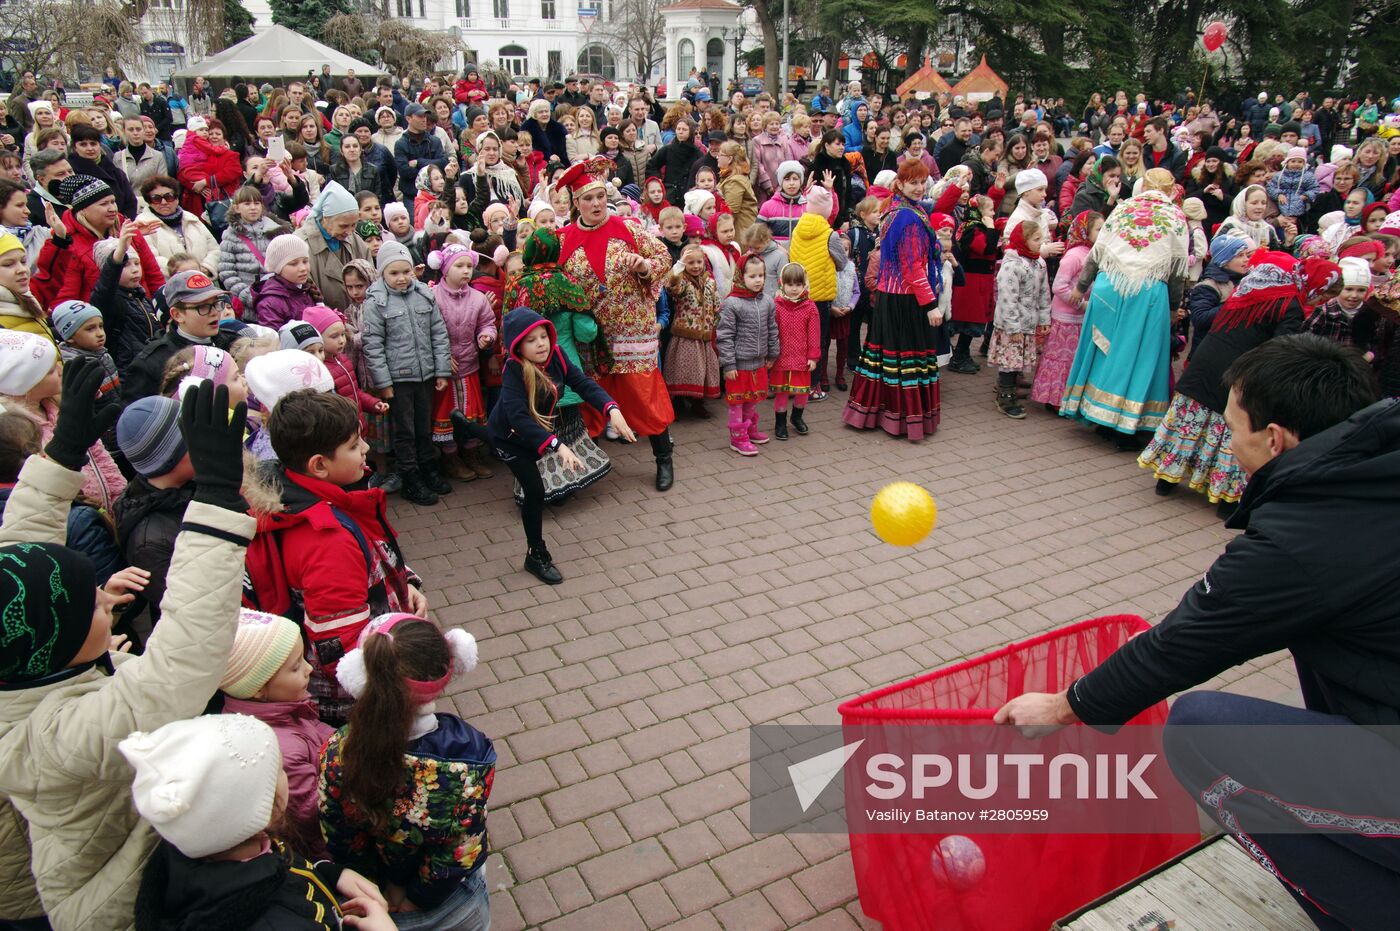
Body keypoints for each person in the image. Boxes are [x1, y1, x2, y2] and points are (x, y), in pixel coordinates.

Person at [996, 333, 1396, 931]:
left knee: (1201, 729)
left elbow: (1185, 643)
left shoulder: (1306, 536)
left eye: (1232, 428)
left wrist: (1061, 706)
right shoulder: (1373, 472)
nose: (1228, 445)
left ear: (1275, 438)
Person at [0, 372, 252, 930]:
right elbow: (179, 667)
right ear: (61, 650)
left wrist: (61, 455)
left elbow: (21, 565)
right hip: (109, 905)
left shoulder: (20, 659)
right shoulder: (47, 739)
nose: (102, 599)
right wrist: (216, 503)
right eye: (92, 608)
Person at [244, 388, 429, 726]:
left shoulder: (307, 497)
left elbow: (369, 553)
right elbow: (341, 647)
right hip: (358, 698)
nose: (366, 450)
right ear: (319, 465)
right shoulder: (327, 539)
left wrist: (405, 583)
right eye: (354, 446)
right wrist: (388, 691)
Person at [121, 713, 397, 929]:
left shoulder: (207, 846)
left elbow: (279, 861)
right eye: (279, 771)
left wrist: (329, 873)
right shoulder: (279, 924)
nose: (285, 776)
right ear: (264, 808)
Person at [319, 615, 490, 930]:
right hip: (448, 905)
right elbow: (462, 846)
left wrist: (379, 887)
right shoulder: (470, 756)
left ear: (362, 674)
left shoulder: (338, 750)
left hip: (373, 899)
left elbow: (339, 834)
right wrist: (419, 897)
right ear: (452, 664)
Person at [1142, 252, 1342, 517]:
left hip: (1207, 360)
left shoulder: (1259, 283)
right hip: (1238, 372)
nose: (1322, 301)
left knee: (1190, 421)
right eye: (1325, 295)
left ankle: (1166, 480)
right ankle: (1228, 500)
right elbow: (1279, 349)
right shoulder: (1290, 304)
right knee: (1231, 433)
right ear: (1317, 284)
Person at [555, 157, 678, 491]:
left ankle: (663, 458)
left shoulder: (630, 229)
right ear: (575, 203)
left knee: (643, 393)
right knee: (592, 398)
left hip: (632, 330)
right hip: (590, 335)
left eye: (599, 197)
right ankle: (586, 468)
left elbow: (664, 257)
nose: (595, 204)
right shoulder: (561, 239)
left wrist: (643, 268)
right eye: (587, 198)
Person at [1060, 170, 1189, 446]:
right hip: (1147, 293)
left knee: (1104, 350)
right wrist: (1173, 309)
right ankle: (1125, 425)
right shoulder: (1174, 216)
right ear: (1169, 191)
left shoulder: (1122, 209)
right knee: (1139, 356)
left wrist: (1082, 287)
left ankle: (1096, 414)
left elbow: (1098, 253)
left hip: (1109, 286)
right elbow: (1178, 269)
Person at [843, 161, 943, 440]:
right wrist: (931, 304)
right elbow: (912, 267)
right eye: (914, 182)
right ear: (900, 184)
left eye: (923, 182)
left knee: (886, 359)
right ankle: (901, 419)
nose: (920, 187)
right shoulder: (907, 216)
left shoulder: (901, 209)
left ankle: (878, 413)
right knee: (904, 361)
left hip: (892, 296)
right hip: (905, 299)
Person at [360, 241, 451, 505]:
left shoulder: (424, 294)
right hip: (399, 379)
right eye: (394, 273)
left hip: (425, 375)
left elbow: (438, 333)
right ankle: (409, 475)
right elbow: (373, 344)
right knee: (404, 430)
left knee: (424, 425)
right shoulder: (376, 301)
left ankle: (427, 467)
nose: (401, 278)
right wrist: (384, 382)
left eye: (406, 272)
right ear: (382, 274)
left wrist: (441, 370)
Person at [35, 174, 165, 309]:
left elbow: (153, 275)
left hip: (145, 314)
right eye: (104, 204)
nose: (112, 208)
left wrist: (162, 310)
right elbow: (66, 298)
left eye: (113, 201)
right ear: (83, 209)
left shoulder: (126, 228)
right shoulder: (68, 243)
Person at [428, 244, 496, 482]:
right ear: (445, 268)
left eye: (469, 265)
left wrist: (486, 336)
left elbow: (487, 322)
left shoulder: (478, 298)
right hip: (444, 370)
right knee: (446, 414)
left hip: (469, 366)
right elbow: (427, 331)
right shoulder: (432, 297)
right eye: (459, 265)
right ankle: (450, 456)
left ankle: (471, 453)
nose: (466, 270)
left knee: (471, 413)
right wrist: (442, 357)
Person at [123, 270, 238, 402]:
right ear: (177, 314)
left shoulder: (232, 342)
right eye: (203, 307)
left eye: (217, 303)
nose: (214, 312)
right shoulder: (152, 363)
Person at [1030, 211, 1102, 410]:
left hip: (1079, 317)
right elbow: (1059, 286)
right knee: (1061, 358)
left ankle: (1066, 396)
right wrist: (1081, 303)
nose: (1102, 233)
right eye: (1098, 229)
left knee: (1072, 357)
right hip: (1066, 317)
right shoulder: (1074, 255)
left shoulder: (1092, 253)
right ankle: (1053, 398)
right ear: (1085, 231)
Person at [717, 254, 780, 455]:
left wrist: (772, 354)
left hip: (759, 362)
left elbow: (772, 329)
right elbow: (725, 335)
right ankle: (737, 438)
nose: (758, 280)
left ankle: (750, 429)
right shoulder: (732, 304)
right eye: (752, 276)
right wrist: (728, 365)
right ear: (740, 277)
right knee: (737, 401)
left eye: (761, 275)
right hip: (738, 364)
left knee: (752, 398)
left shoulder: (767, 302)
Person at [989, 222, 1052, 419]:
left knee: (1019, 358)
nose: (1041, 243)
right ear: (1023, 241)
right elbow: (1008, 299)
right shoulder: (1012, 266)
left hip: (1029, 321)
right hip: (1012, 325)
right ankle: (1005, 396)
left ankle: (1011, 387)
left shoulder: (1039, 263)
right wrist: (1012, 326)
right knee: (1010, 360)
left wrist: (1044, 318)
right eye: (1036, 239)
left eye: (1041, 238)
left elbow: (1044, 293)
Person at [296, 181, 374, 313]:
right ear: (325, 218)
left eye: (354, 225)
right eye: (343, 226)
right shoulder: (301, 245)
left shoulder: (354, 238)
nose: (349, 232)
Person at [664, 244, 722, 417]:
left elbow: (716, 305)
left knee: (702, 371)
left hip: (705, 335)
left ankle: (698, 402)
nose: (696, 266)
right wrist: (679, 265)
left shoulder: (710, 282)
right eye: (691, 263)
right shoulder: (682, 281)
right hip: (686, 334)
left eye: (699, 262)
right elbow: (671, 286)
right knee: (682, 369)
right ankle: (677, 401)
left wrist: (715, 325)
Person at [770, 262, 821, 440]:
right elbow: (771, 332)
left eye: (798, 285)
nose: (793, 289)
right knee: (781, 393)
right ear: (782, 284)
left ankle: (797, 417)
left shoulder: (810, 307)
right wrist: (770, 354)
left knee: (802, 392)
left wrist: (813, 357)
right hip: (781, 358)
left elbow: (814, 334)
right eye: (790, 285)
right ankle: (780, 422)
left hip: (801, 358)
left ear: (804, 284)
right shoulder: (776, 306)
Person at [136, 175, 220, 277]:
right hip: (169, 285)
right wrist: (182, 272)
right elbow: (150, 258)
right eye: (156, 199)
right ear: (149, 201)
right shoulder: (143, 225)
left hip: (203, 280)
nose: (163, 202)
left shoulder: (192, 219)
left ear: (177, 198)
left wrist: (206, 267)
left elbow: (214, 248)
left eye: (169, 197)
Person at [1305, 256, 1371, 347]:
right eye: (1349, 289)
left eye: (1361, 290)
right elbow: (1305, 338)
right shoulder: (1324, 312)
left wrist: (1371, 354)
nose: (1354, 295)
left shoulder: (1370, 313)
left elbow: (1377, 341)